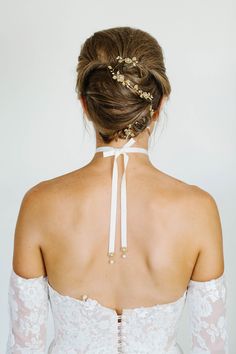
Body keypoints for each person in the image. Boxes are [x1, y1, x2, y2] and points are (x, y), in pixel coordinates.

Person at [6, 26, 228, 353]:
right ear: (159, 104)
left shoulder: (39, 204)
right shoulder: (199, 210)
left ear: (85, 103)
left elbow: (25, 347)